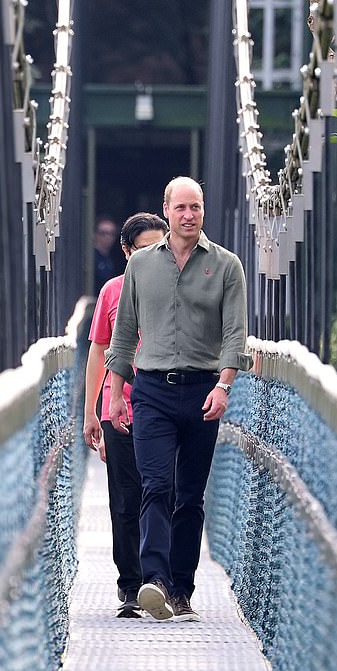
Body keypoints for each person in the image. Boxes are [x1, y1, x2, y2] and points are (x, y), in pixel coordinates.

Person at [106, 176, 249, 622]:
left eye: (197, 207)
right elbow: (123, 333)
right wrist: (114, 396)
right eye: (181, 208)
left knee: (190, 495)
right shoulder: (141, 265)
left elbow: (234, 336)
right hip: (150, 391)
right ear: (166, 210)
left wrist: (224, 386)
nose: (189, 215)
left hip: (204, 389)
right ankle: (155, 581)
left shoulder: (227, 266)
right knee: (156, 485)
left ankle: (182, 589)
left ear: (203, 210)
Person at [83, 211, 168, 618]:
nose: (154, 256)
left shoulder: (178, 290)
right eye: (144, 249)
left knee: (161, 493)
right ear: (126, 251)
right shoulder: (112, 292)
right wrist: (90, 412)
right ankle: (131, 586)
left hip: (165, 408)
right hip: (119, 406)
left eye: (159, 247)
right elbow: (98, 350)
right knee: (124, 499)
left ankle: (159, 581)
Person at [92, 215, 122, 294]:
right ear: (94, 234)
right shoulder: (91, 258)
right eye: (103, 233)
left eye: (112, 233)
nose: (108, 237)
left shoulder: (112, 258)